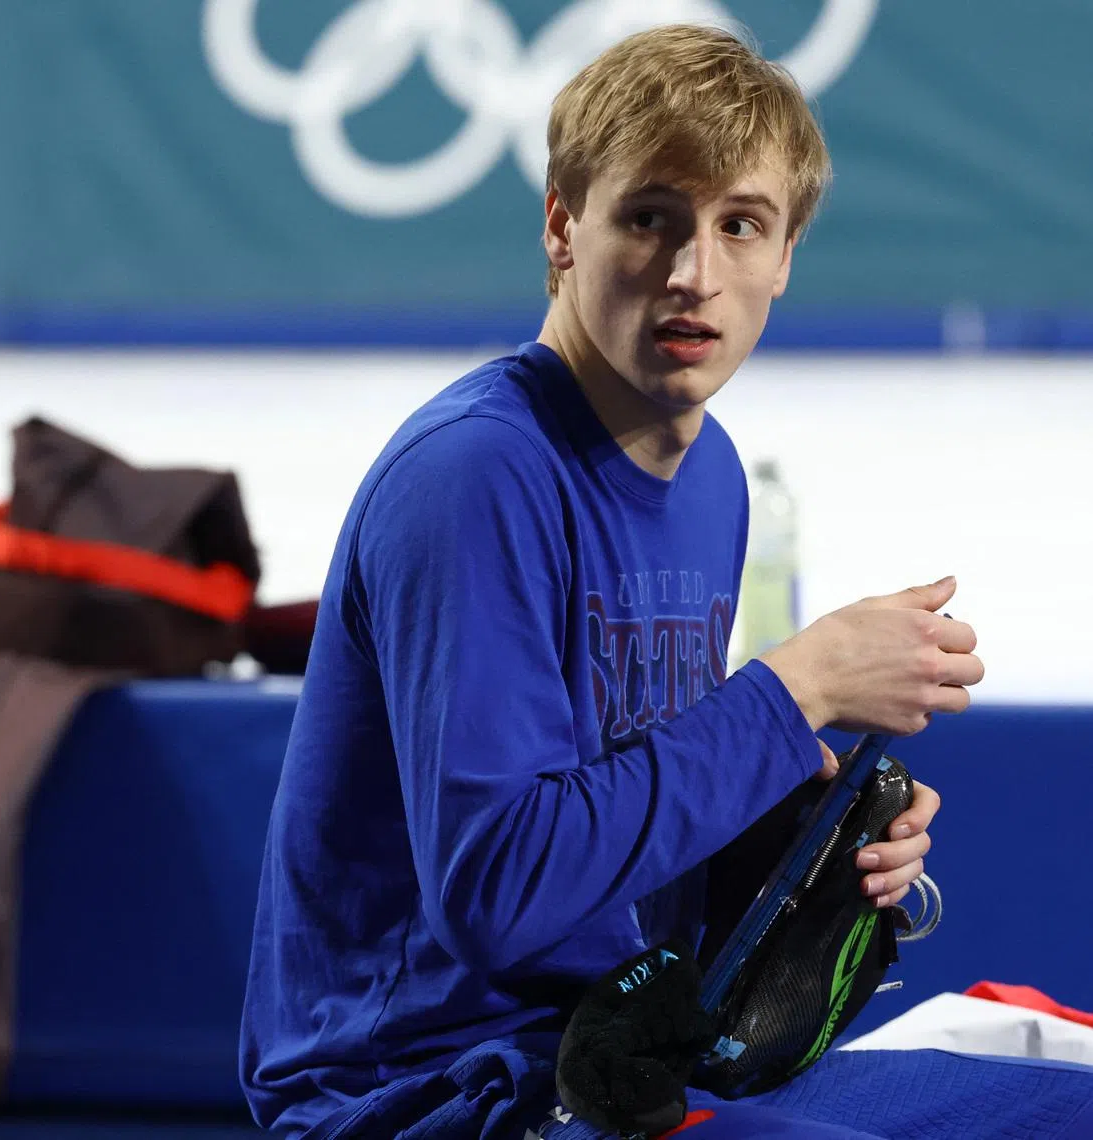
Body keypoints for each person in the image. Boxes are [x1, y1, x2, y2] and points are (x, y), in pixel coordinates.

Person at [240, 25, 991, 1140]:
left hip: (610, 1053)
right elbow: (497, 894)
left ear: (784, 257)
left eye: (740, 225)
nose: (694, 273)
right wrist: (791, 695)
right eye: (651, 218)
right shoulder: (474, 476)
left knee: (1042, 1089)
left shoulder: (714, 476)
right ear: (561, 227)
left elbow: (620, 829)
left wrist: (803, 829)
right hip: (415, 1094)